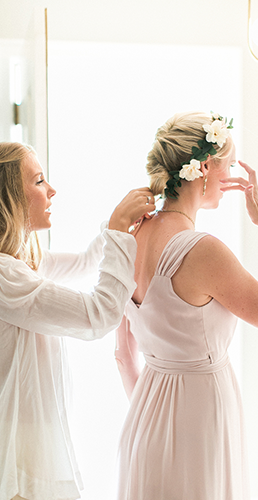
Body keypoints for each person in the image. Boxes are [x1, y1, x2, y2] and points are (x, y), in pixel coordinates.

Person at [114, 111, 258, 500]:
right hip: (200, 424)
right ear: (202, 169)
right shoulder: (202, 251)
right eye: (229, 165)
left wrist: (153, 416)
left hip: (143, 420)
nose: (232, 177)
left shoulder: (130, 237)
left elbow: (122, 354)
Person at [0, 142, 156, 500]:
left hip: (33, 442)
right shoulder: (6, 276)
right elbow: (98, 316)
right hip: (19, 453)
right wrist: (117, 229)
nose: (51, 190)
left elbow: (88, 263)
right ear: (9, 196)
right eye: (39, 181)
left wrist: (118, 225)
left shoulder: (26, 262)